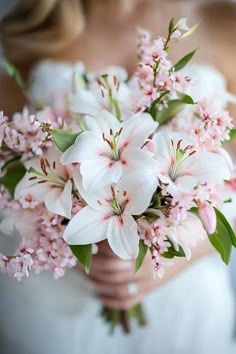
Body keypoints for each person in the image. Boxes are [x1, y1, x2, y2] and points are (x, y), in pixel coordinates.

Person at [0, 1, 236, 353]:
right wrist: (70, 242)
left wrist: (181, 247)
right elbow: (11, 166)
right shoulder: (30, 26)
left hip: (184, 308)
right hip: (55, 313)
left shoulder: (223, 19)